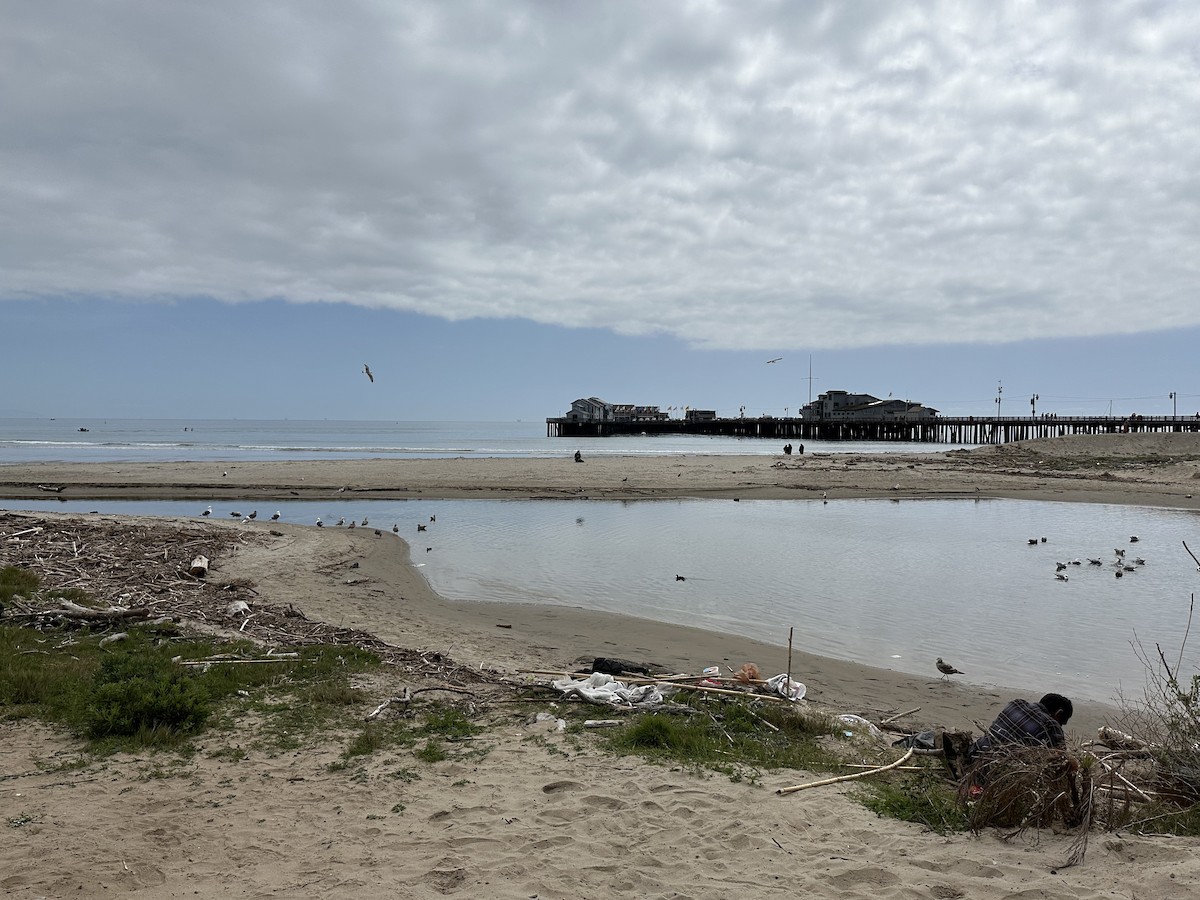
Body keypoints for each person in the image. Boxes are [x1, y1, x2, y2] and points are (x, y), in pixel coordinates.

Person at [970, 693, 1073, 758]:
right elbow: (1062, 760)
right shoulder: (1051, 725)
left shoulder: (1016, 703)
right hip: (995, 773)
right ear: (1059, 714)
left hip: (974, 754)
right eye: (1061, 723)